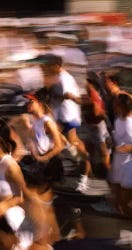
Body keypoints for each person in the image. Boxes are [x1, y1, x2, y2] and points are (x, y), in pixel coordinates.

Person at [36, 54, 92, 190]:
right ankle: (80, 164)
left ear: (56, 66)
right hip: (61, 115)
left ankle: (83, 164)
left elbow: (65, 96)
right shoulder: (58, 77)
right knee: (67, 141)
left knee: (66, 141)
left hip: (67, 115)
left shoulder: (64, 79)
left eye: (47, 66)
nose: (45, 69)